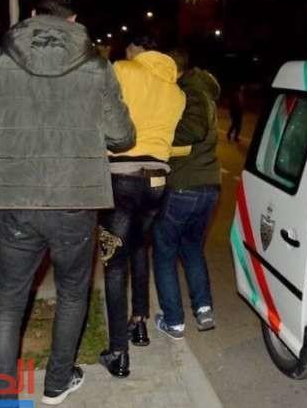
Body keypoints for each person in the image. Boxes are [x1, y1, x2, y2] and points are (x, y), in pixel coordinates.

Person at [0, 0, 135, 405]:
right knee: (72, 293)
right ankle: (56, 383)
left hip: (14, 202)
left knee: (7, 302)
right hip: (76, 202)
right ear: (73, 21)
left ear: (32, 14)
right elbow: (122, 136)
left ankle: (1, 398)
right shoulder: (96, 65)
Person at [97, 37, 186, 377]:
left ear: (134, 48)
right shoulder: (176, 91)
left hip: (122, 177)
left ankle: (118, 352)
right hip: (157, 182)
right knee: (138, 248)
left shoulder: (123, 69)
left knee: (113, 262)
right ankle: (139, 323)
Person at [152, 50, 221, 340]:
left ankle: (174, 322)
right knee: (191, 249)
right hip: (207, 187)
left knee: (164, 252)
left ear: (172, 68)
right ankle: (203, 310)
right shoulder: (202, 89)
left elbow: (193, 129)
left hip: (184, 186)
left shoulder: (190, 91)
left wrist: (158, 135)